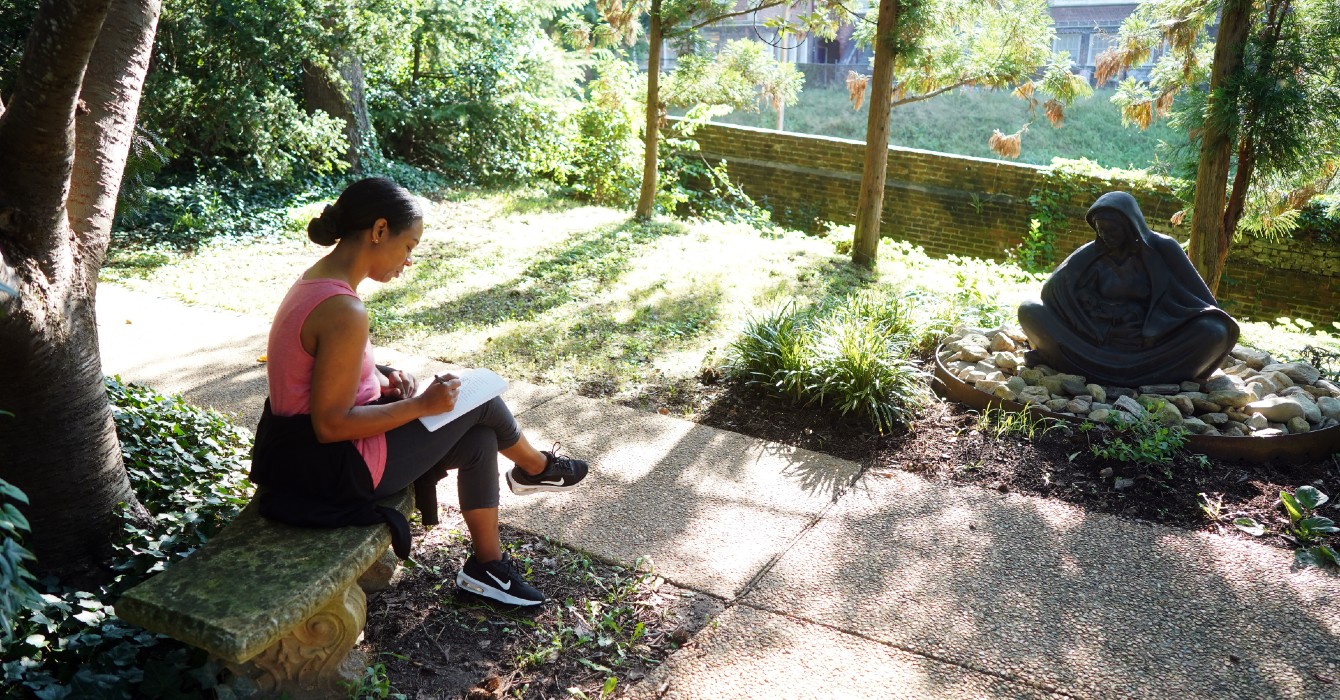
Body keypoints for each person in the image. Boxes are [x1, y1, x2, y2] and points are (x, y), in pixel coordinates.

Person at [249, 177, 587, 607]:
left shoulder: (316, 285)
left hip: (301, 458)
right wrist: (419, 406)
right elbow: (331, 424)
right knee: (481, 399)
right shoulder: (343, 310)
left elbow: (316, 370)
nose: (409, 260)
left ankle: (487, 566)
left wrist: (381, 375)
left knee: (481, 438)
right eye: (409, 246)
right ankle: (536, 469)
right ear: (378, 231)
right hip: (330, 467)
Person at [1017, 191, 1239, 386]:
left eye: (1112, 230)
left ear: (1130, 226)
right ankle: (1138, 377)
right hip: (1097, 341)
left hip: (1149, 343)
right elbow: (1052, 292)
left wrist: (1152, 321)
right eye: (1101, 230)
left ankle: (1073, 364)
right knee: (1029, 309)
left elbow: (1203, 304)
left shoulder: (1163, 249)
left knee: (1213, 332)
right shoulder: (1091, 255)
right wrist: (1095, 316)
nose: (1106, 236)